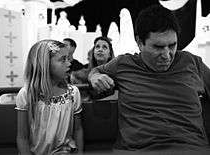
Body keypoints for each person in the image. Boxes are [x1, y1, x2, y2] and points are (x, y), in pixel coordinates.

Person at [88, 4, 210, 153]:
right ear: (139, 43)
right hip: (139, 151)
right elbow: (95, 71)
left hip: (192, 149)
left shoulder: (192, 62)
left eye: (172, 45)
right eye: (158, 47)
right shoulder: (123, 64)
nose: (167, 55)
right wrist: (95, 76)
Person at [16, 40, 83, 155]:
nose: (69, 63)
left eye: (68, 58)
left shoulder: (73, 93)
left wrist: (80, 152)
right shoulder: (27, 94)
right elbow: (22, 138)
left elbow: (78, 129)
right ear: (45, 64)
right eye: (63, 59)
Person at [71, 36, 115, 101]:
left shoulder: (116, 73)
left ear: (110, 54)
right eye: (97, 47)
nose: (100, 50)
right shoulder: (81, 75)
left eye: (104, 47)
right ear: (93, 53)